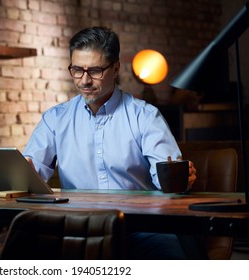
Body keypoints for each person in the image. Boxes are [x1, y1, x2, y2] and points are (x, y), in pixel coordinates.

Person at [23, 26, 201, 259]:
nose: (85, 80)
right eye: (77, 70)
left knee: (176, 254)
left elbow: (165, 177)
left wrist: (177, 177)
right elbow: (32, 171)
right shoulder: (55, 118)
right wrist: (23, 170)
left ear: (115, 68)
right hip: (77, 229)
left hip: (138, 228)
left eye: (95, 70)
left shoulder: (145, 116)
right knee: (22, 246)